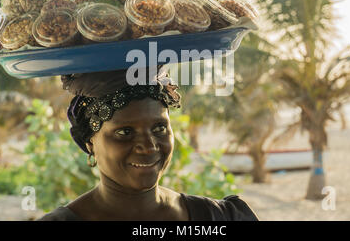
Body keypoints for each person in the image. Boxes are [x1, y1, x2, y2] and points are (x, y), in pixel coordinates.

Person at [38, 67, 258, 221]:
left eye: (159, 128)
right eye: (125, 132)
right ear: (90, 143)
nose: (149, 146)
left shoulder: (219, 217)